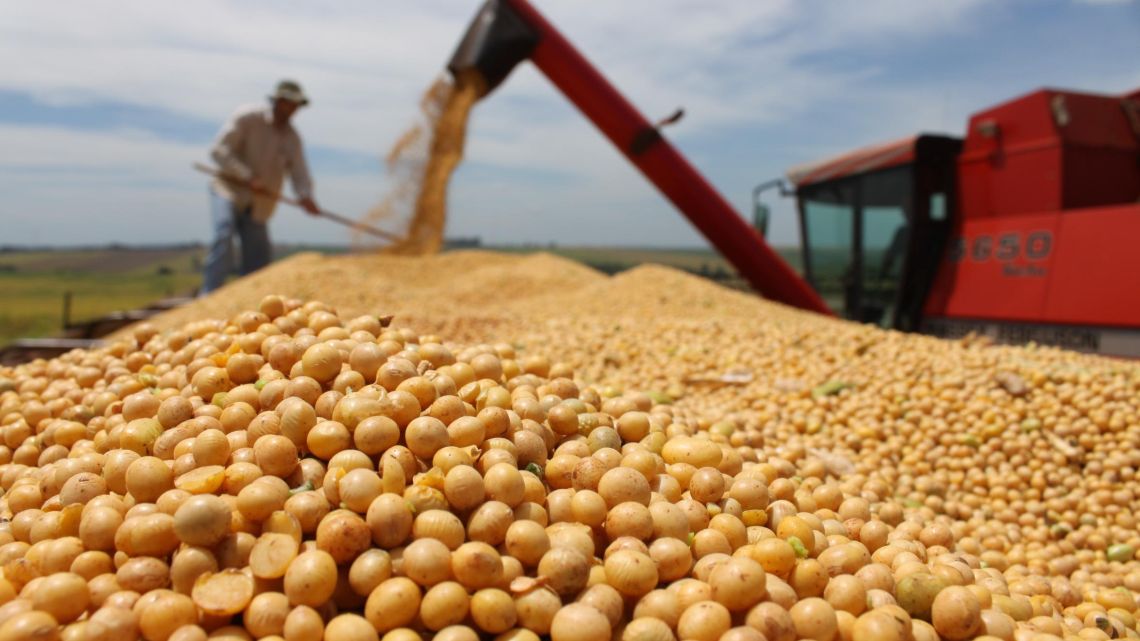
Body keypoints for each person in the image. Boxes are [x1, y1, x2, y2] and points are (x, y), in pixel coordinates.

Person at [200, 79, 321, 294]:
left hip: (260, 202)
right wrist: (247, 176)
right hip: (229, 188)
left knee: (258, 259)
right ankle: (209, 295)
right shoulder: (248, 118)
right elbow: (219, 151)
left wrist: (306, 196)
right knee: (224, 232)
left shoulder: (292, 138)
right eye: (288, 103)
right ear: (277, 101)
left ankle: (250, 304)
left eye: (296, 106)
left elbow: (299, 172)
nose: (292, 110)